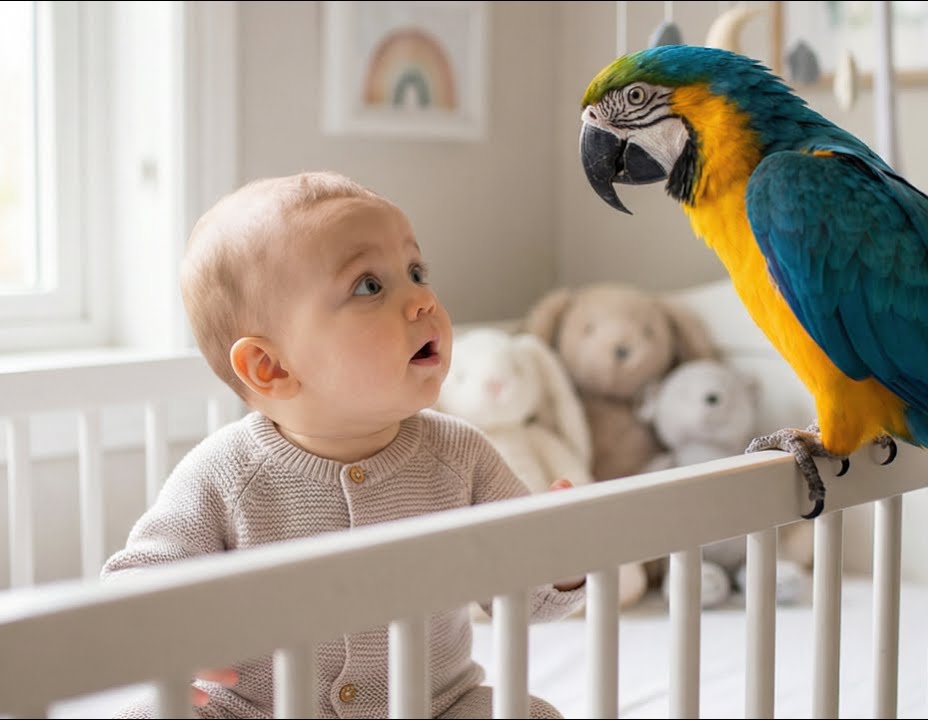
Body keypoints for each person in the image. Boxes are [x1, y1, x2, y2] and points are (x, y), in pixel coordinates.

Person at [102, 171, 586, 719]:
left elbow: (527, 602)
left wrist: (560, 558)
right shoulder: (225, 473)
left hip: (433, 706)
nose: (422, 300)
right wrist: (167, 640)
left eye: (416, 271)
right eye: (369, 286)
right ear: (271, 366)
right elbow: (136, 580)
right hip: (256, 709)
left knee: (530, 714)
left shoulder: (460, 455)